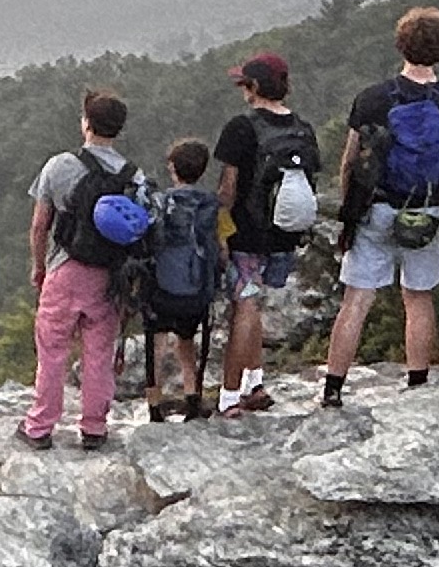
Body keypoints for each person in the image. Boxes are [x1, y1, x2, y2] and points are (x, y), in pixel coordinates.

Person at [317, 6, 439, 408]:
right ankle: (417, 384)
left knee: (357, 299)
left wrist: (350, 210)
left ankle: (333, 389)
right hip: (426, 210)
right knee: (418, 298)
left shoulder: (372, 98)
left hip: (376, 208)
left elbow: (350, 162)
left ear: (401, 44)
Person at [22, 91, 140, 450]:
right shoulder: (132, 175)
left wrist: (39, 266)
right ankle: (94, 428)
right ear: (118, 128)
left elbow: (40, 226)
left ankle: (40, 426)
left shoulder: (59, 166)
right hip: (109, 277)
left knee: (52, 350)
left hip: (65, 269)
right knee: (99, 354)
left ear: (86, 123)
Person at [210, 52, 319, 418]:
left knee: (244, 306)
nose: (242, 90)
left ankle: (228, 398)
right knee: (255, 304)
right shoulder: (303, 129)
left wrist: (219, 231)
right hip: (285, 233)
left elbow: (227, 189)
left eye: (244, 84)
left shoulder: (241, 127)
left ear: (254, 87)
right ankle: (254, 383)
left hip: (248, 233)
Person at [139, 137, 225, 420]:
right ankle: (192, 398)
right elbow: (221, 246)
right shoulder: (211, 204)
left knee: (157, 345)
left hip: (161, 290)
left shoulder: (162, 202)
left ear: (173, 168)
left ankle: (155, 407)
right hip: (197, 290)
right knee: (187, 341)